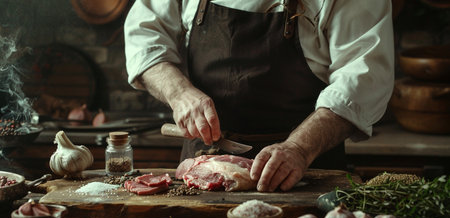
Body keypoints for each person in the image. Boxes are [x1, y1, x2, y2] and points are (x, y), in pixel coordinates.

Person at [124, 0, 394, 192]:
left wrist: (298, 149)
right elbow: (145, 35)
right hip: (203, 166)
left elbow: (362, 78)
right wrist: (179, 92)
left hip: (306, 172)